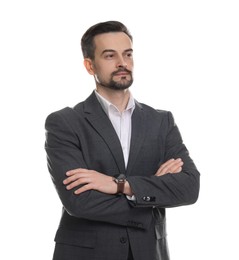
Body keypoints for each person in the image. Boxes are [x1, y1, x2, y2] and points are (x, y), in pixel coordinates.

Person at [45, 20, 200, 260]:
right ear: (89, 65)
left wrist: (120, 185)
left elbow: (189, 188)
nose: (122, 63)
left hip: (149, 253)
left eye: (127, 54)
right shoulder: (65, 123)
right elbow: (80, 202)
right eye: (109, 56)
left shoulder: (161, 121)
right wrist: (151, 194)